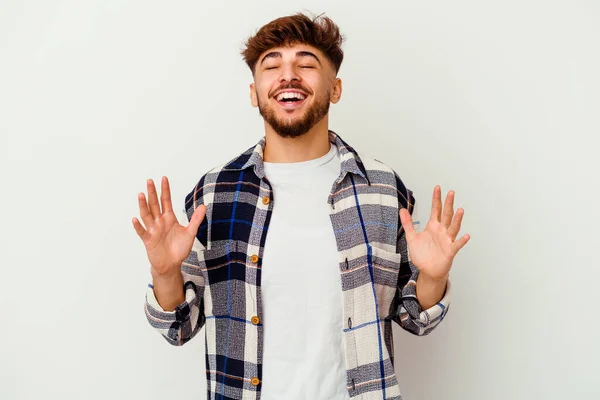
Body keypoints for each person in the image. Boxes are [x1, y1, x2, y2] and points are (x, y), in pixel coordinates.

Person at [133, 12, 470, 400]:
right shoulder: (216, 193)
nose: (288, 75)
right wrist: (164, 272)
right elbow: (178, 327)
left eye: (306, 64)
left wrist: (432, 277)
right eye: (272, 65)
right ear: (254, 92)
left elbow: (416, 319)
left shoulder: (382, 189)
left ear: (336, 88)